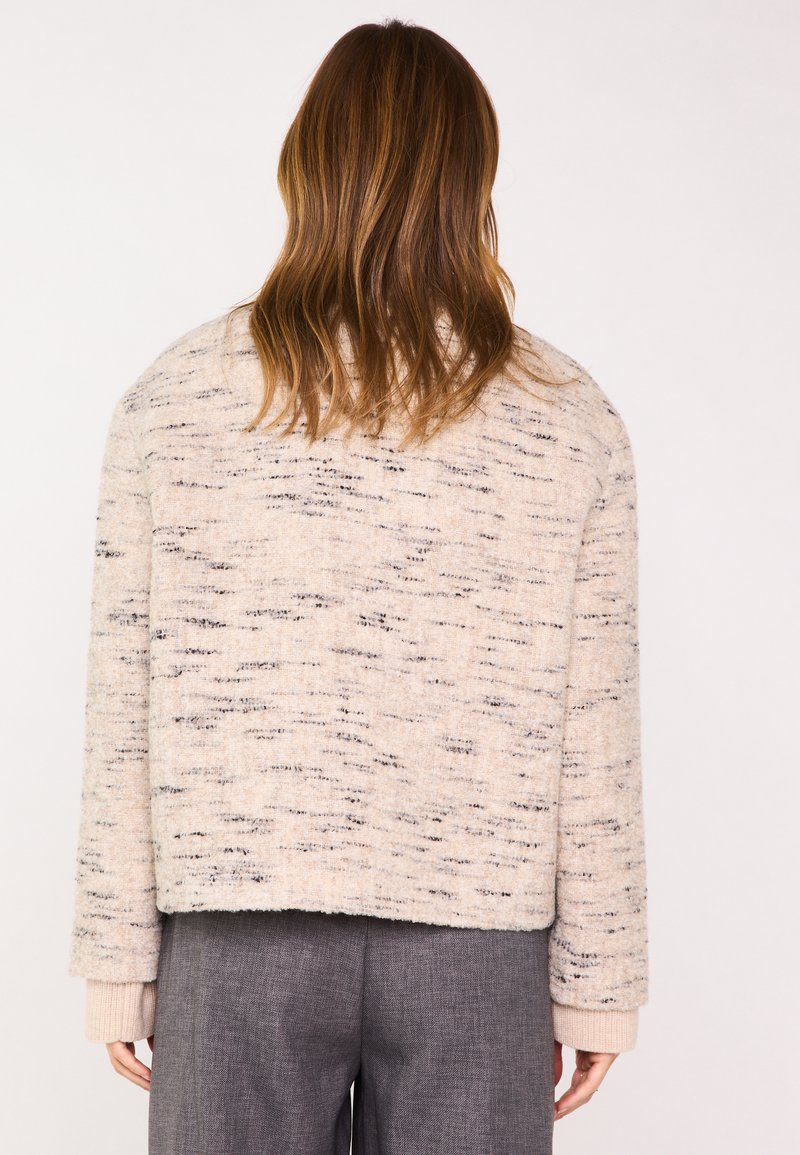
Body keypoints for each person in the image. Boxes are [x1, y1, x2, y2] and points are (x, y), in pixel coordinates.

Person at [67, 17, 649, 1155]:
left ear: (306, 163)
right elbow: (597, 728)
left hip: (235, 941)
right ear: (473, 178)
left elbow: (123, 696)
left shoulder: (176, 397)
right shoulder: (567, 413)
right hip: (476, 948)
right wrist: (598, 982)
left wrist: (115, 960)